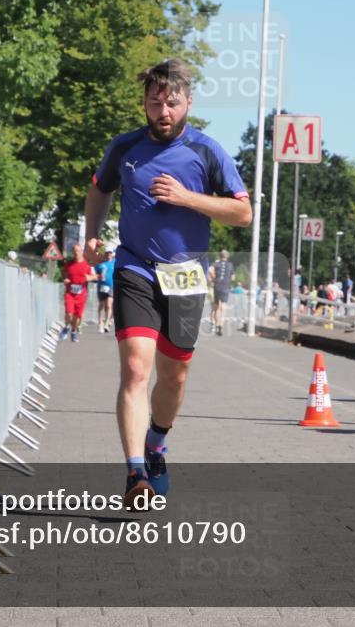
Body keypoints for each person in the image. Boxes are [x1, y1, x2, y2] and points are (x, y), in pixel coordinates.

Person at [82, 59, 251, 508]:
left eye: (172, 103)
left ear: (188, 103)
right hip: (135, 267)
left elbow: (243, 212)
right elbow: (99, 189)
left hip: (185, 273)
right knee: (136, 369)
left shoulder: (207, 151)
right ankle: (135, 474)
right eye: (155, 103)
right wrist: (92, 236)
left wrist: (187, 197)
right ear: (144, 103)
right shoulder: (125, 147)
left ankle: (156, 442)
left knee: (174, 377)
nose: (163, 112)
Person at [60, 244, 97, 343]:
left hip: (81, 295)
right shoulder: (68, 264)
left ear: (82, 252)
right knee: (69, 313)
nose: (77, 253)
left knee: (78, 317)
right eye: (75, 251)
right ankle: (66, 327)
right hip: (70, 293)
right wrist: (65, 279)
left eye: (79, 251)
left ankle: (73, 331)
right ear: (72, 252)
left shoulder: (87, 265)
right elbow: (63, 273)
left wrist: (90, 277)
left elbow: (95, 276)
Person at [209, 250, 235, 335]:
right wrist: (228, 280)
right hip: (225, 286)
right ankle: (220, 326)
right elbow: (233, 277)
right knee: (223, 307)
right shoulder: (230, 265)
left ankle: (216, 325)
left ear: (220, 256)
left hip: (217, 286)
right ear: (227, 257)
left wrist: (214, 278)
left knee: (216, 307)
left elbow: (210, 269)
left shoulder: (216, 263)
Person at [94, 250, 116, 333]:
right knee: (102, 305)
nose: (108, 255)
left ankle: (106, 323)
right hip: (102, 286)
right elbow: (95, 275)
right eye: (107, 253)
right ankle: (100, 323)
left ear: (112, 254)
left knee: (109, 305)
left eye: (110, 253)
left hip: (111, 286)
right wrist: (98, 276)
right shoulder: (100, 264)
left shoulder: (115, 263)